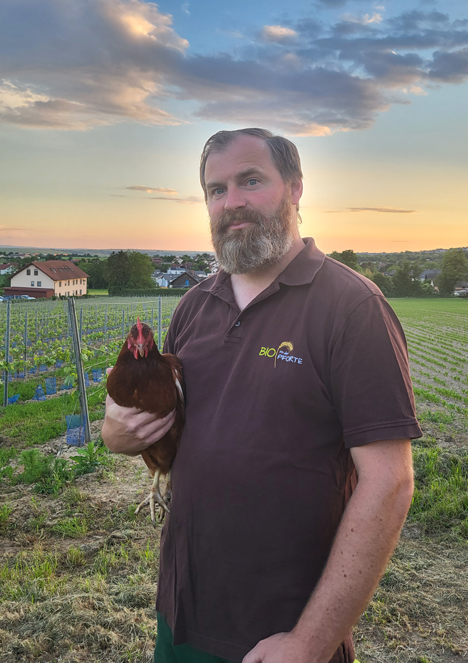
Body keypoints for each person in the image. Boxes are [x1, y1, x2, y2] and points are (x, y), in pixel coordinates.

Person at [102, 128, 422, 663]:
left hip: (282, 631)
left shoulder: (352, 308)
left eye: (251, 180)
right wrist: (117, 434)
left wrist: (310, 641)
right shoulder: (193, 307)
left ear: (295, 188)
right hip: (182, 612)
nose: (233, 202)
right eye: (216, 189)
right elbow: (170, 435)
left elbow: (390, 484)